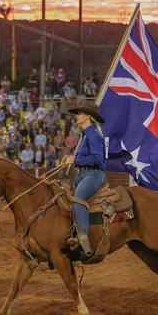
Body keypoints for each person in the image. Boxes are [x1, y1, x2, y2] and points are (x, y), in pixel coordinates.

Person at [63, 102, 106, 258]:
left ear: (89, 116)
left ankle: (83, 238)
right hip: (83, 175)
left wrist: (74, 162)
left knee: (78, 199)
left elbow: (97, 159)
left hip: (93, 174)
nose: (78, 116)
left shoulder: (93, 134)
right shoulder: (85, 134)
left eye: (80, 113)